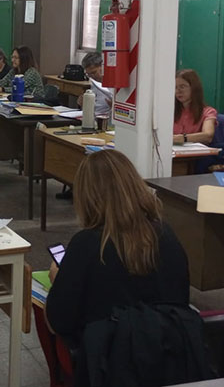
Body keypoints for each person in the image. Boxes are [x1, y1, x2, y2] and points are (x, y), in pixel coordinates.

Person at [45, 150, 191, 386]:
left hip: (108, 366)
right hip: (170, 360)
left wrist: (58, 279)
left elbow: (58, 323)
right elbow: (181, 301)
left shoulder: (87, 244)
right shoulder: (166, 235)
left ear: (87, 197)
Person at [173, 68, 217, 145]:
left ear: (194, 88)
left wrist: (182, 138)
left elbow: (208, 135)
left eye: (182, 87)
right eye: (175, 87)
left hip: (193, 155)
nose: (178, 91)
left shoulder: (208, 112)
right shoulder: (171, 110)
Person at [76, 51, 114, 117]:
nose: (92, 76)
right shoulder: (94, 83)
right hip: (93, 118)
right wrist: (83, 104)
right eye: (88, 74)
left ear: (103, 66)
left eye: (94, 72)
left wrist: (114, 107)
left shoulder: (115, 84)